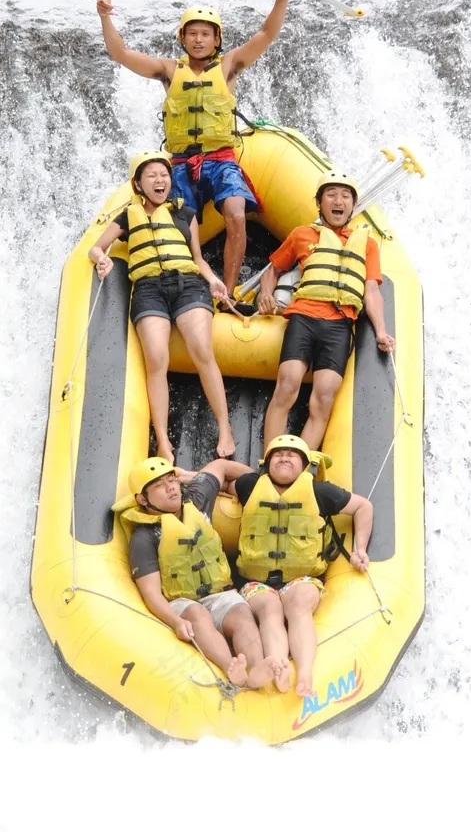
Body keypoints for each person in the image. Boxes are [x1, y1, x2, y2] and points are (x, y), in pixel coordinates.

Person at [96, 0, 304, 299]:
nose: (198, 39)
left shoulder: (229, 65)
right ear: (183, 38)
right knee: (176, 226)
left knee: (236, 212)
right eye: (192, 33)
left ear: (216, 38)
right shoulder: (168, 70)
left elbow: (266, 34)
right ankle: (186, 289)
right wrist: (105, 16)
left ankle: (228, 292)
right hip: (181, 164)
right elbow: (120, 53)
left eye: (205, 33)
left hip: (221, 160)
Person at [88, 150, 235, 459]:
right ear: (138, 184)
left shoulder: (185, 214)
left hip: (188, 285)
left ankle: (224, 428)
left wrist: (213, 280)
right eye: (152, 175)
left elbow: (197, 258)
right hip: (149, 289)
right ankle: (164, 441)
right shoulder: (127, 216)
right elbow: (96, 247)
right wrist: (102, 260)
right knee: (156, 358)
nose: (160, 180)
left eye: (164, 175)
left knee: (201, 349)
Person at [113, 455, 288, 690]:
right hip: (182, 602)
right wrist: (176, 622)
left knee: (241, 614)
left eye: (171, 481)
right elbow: (151, 593)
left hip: (219, 593)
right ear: (142, 499)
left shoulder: (196, 498)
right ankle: (231, 668)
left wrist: (259, 481)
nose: (170, 488)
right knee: (197, 614)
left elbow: (221, 466)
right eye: (159, 486)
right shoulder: (144, 538)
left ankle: (256, 669)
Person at [225, 435, 374, 697]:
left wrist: (359, 549)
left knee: (299, 605)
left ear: (305, 466)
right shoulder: (250, 485)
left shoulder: (320, 492)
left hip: (302, 578)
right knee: (270, 609)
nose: (284, 457)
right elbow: (226, 483)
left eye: (292, 454)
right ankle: (279, 668)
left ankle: (304, 674)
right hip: (256, 581)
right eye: (278, 454)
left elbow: (363, 506)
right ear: (267, 464)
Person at [257, 171, 397, 450]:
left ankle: (299, 465)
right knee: (288, 385)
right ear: (319, 203)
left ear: (352, 205)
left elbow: (371, 291)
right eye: (331, 195)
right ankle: (271, 459)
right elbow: (272, 271)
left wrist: (381, 331)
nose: (338, 201)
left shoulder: (367, 244)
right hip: (304, 319)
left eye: (345, 196)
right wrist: (266, 294)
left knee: (323, 399)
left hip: (340, 325)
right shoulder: (302, 234)